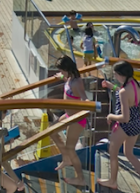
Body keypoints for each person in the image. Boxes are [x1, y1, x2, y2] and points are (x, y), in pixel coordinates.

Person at [98, 61, 140, 192]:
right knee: (129, 154)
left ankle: (112, 181)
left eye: (115, 75)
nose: (115, 77)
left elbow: (125, 117)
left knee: (112, 152)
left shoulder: (124, 91)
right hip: (136, 123)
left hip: (125, 125)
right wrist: (111, 87)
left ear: (120, 74)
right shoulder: (135, 84)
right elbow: (126, 96)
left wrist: (111, 116)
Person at [50, 56, 88, 188]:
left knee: (71, 148)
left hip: (76, 119)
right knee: (52, 132)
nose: (61, 72)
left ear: (67, 69)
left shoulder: (77, 82)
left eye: (62, 70)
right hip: (68, 115)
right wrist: (61, 77)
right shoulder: (71, 78)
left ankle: (81, 178)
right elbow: (67, 80)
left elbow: (85, 99)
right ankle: (66, 159)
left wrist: (87, 105)